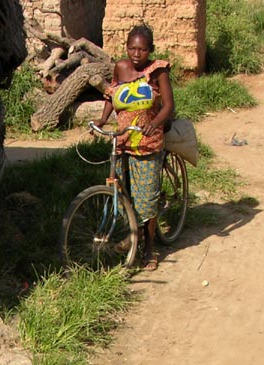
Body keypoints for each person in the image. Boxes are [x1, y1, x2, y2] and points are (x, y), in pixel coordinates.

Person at [93, 24, 174, 270]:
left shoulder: (158, 71)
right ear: (126, 47)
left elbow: (168, 106)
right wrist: (102, 119)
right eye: (132, 48)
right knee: (123, 193)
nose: (136, 54)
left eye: (142, 49)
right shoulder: (120, 67)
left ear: (150, 50)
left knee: (146, 200)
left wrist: (154, 124)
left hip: (147, 142)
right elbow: (111, 95)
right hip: (123, 139)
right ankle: (132, 235)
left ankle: (149, 248)